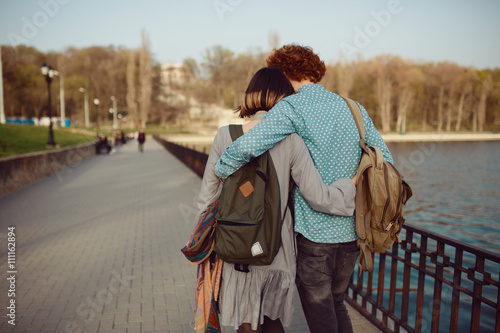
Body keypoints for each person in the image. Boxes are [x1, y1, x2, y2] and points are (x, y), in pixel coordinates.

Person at [214, 45, 393, 333]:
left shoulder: (291, 108)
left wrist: (221, 171)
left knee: (322, 315)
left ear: (286, 74)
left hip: (314, 234)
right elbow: (385, 159)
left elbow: (247, 146)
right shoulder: (353, 107)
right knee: (337, 303)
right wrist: (355, 181)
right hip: (352, 232)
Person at [195, 67, 357, 333]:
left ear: (251, 94)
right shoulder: (292, 139)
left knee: (246, 322)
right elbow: (318, 197)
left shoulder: (225, 135)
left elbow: (207, 198)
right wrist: (348, 186)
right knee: (272, 321)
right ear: (284, 98)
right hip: (276, 248)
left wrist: (207, 243)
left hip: (235, 246)